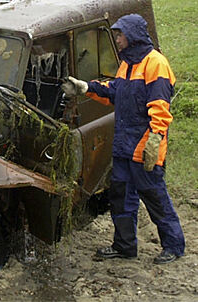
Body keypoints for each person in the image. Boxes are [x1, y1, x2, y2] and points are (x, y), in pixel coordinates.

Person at [61, 14, 185, 264]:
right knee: (120, 196)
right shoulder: (127, 64)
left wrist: (155, 139)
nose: (116, 39)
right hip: (123, 145)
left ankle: (173, 245)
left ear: (133, 36)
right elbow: (115, 92)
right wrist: (86, 88)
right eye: (116, 35)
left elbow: (160, 106)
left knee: (154, 196)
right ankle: (124, 246)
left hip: (144, 145)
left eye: (120, 35)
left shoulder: (155, 64)